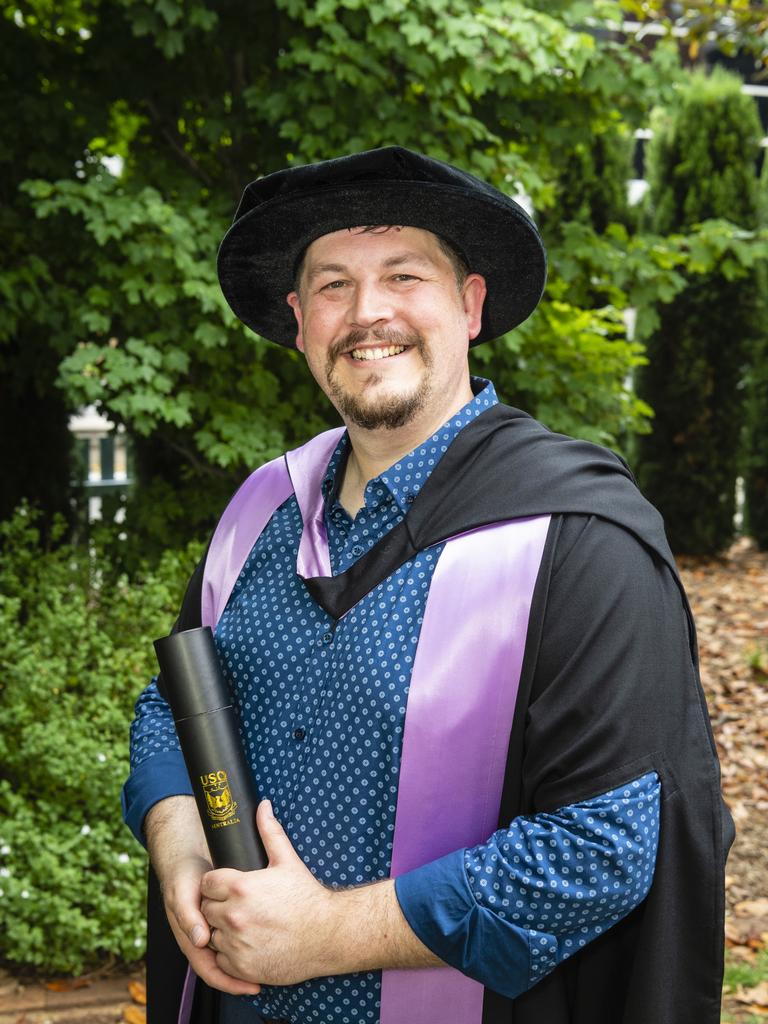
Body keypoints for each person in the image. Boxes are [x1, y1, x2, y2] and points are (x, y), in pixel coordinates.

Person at [122, 147, 733, 1024]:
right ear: (299, 321)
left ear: (470, 305)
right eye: (333, 285)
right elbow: (171, 705)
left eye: (404, 275)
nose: (367, 313)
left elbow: (604, 846)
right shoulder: (260, 513)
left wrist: (328, 932)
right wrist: (179, 845)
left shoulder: (577, 539)